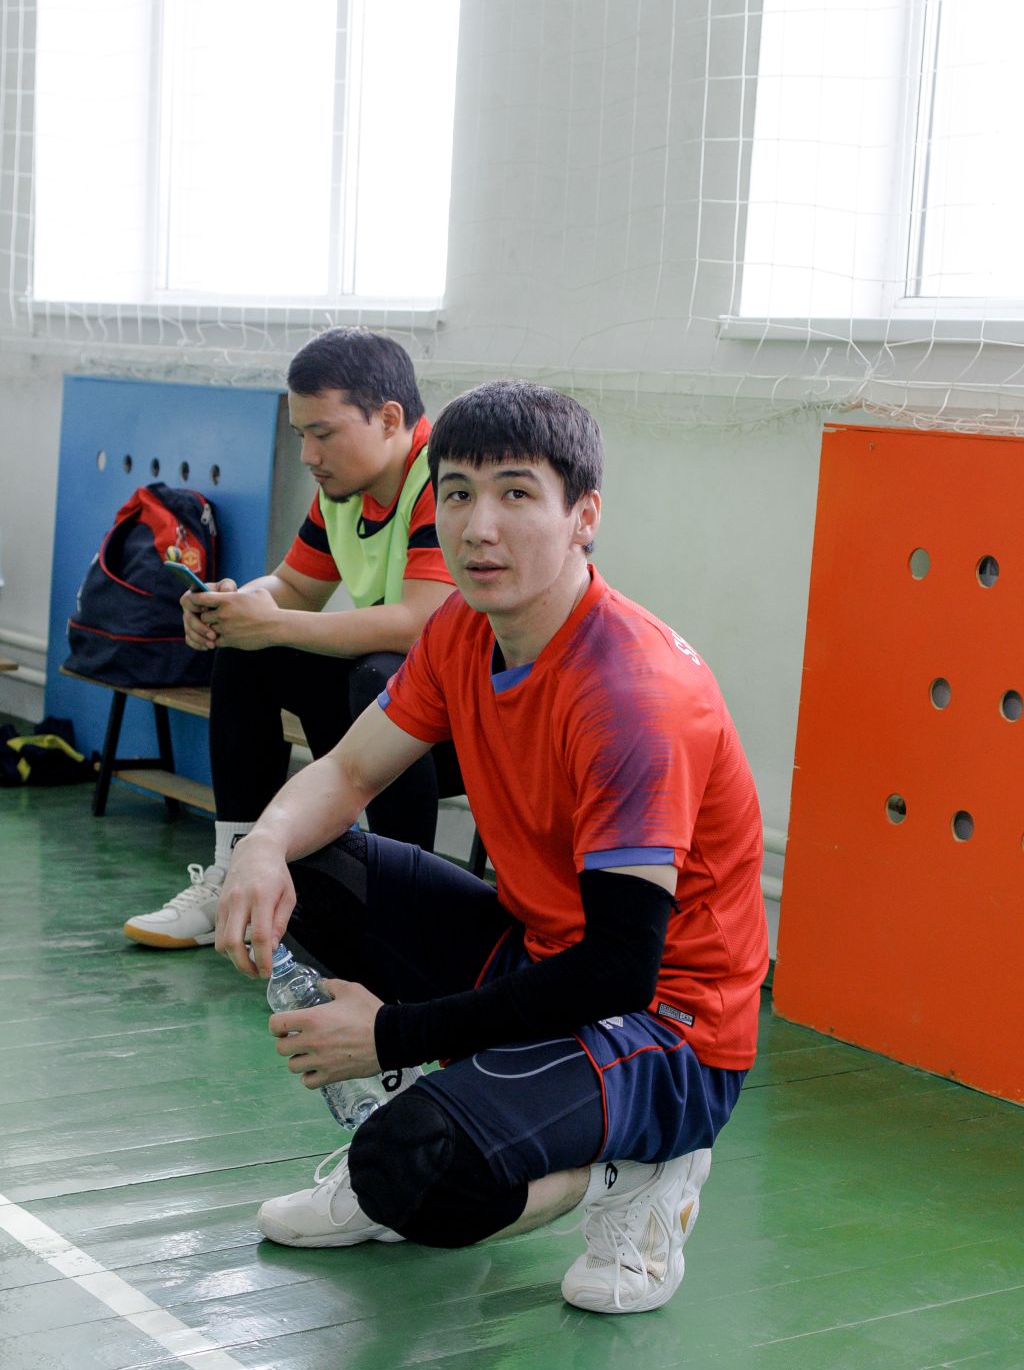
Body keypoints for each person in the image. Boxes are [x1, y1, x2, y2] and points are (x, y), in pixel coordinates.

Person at [216, 380, 769, 1315]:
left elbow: (618, 971)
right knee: (307, 864)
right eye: (459, 493)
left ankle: (641, 1172)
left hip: (667, 1026)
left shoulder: (633, 698)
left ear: (584, 516)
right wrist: (260, 845)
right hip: (539, 949)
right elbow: (347, 774)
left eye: (517, 494)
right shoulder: (463, 631)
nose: (479, 528)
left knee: (412, 1169)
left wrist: (391, 1035)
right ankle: (446, 1115)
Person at [123, 328, 456, 949]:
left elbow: (421, 624)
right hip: (388, 713)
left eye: (322, 433)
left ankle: (404, 911)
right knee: (251, 650)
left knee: (380, 674)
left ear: (389, 419)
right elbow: (295, 586)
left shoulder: (446, 478)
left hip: (470, 725)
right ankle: (236, 868)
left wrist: (273, 621)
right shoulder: (344, 488)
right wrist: (235, 606)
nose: (307, 454)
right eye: (302, 434)